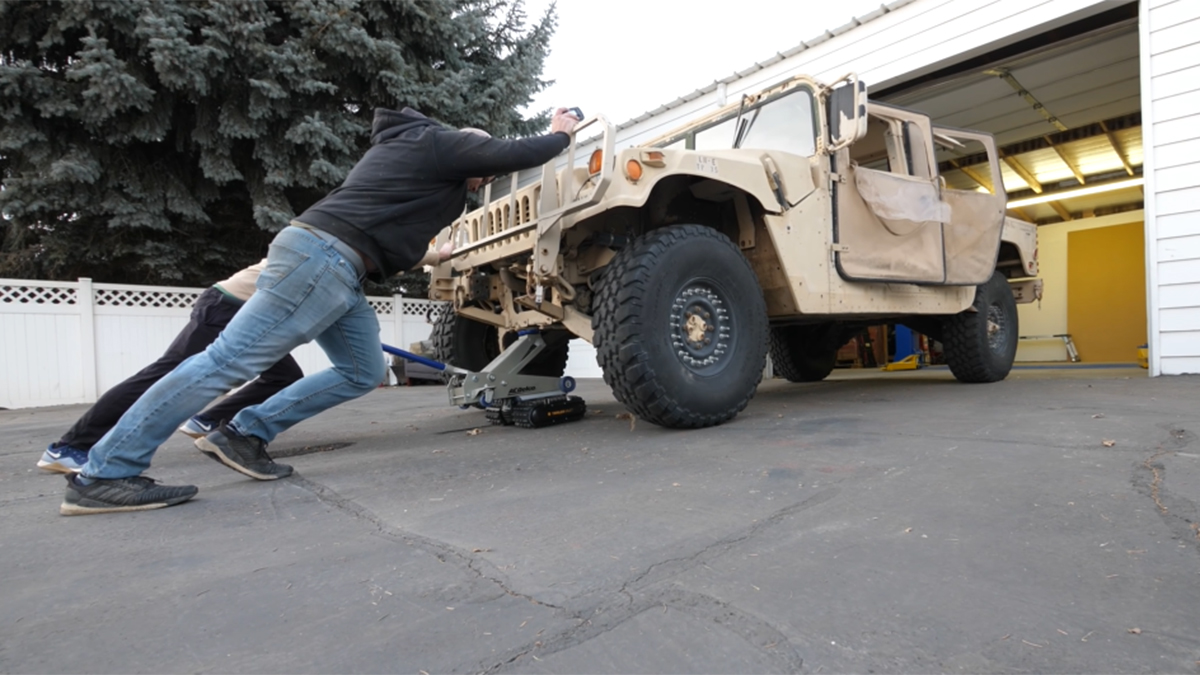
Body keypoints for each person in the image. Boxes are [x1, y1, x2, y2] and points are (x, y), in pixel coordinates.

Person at [59, 106, 581, 515]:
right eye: (479, 171)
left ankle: (243, 433)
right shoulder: (439, 144)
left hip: (341, 271)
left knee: (362, 370)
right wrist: (560, 133)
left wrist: (434, 255)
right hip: (323, 260)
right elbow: (512, 152)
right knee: (226, 362)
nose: (482, 182)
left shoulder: (417, 162)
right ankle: (105, 474)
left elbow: (386, 228)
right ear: (468, 148)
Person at [38, 261, 304, 474]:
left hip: (250, 314)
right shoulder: (331, 248)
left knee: (284, 376)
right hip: (230, 306)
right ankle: (70, 447)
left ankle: (207, 422)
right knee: (167, 374)